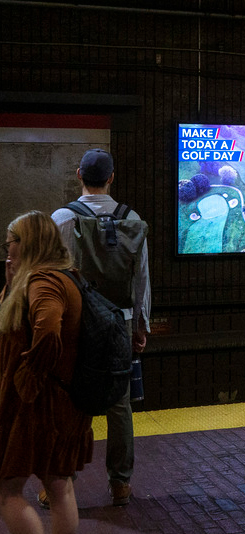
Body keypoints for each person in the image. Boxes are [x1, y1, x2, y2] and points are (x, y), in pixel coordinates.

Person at [40, 148, 151, 507]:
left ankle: (61, 480)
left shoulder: (62, 219)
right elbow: (141, 279)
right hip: (120, 321)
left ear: (78, 175)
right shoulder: (132, 219)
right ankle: (120, 483)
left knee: (70, 401)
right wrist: (141, 325)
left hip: (77, 320)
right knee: (119, 404)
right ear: (111, 178)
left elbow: (53, 275)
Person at [0, 211, 93, 534]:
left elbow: (49, 328)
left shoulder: (44, 283)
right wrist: (12, 287)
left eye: (10, 242)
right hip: (62, 400)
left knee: (7, 489)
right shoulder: (63, 276)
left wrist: (28, 377)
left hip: (40, 405)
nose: (7, 249)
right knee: (58, 485)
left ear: (27, 244)